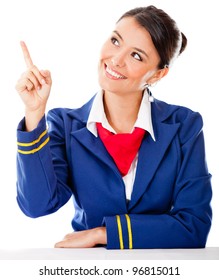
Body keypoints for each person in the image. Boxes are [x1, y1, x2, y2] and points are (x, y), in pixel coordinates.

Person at [16, 5, 212, 249]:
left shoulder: (184, 126)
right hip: (89, 270)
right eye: (116, 41)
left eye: (136, 55)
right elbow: (36, 205)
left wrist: (103, 233)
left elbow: (194, 227)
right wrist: (34, 113)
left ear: (157, 75)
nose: (116, 60)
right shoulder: (65, 125)